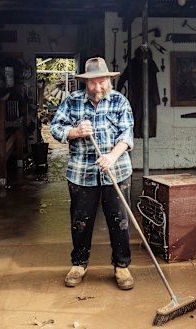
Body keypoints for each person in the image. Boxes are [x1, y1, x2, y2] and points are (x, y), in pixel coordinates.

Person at [50, 57, 135, 290]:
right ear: (85, 83)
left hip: (116, 170)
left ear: (109, 80)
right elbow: (55, 128)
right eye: (93, 83)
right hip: (81, 172)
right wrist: (75, 132)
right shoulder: (73, 101)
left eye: (102, 82)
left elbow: (127, 135)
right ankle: (78, 264)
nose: (98, 87)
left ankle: (122, 266)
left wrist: (112, 156)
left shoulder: (119, 101)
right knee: (80, 221)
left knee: (119, 220)